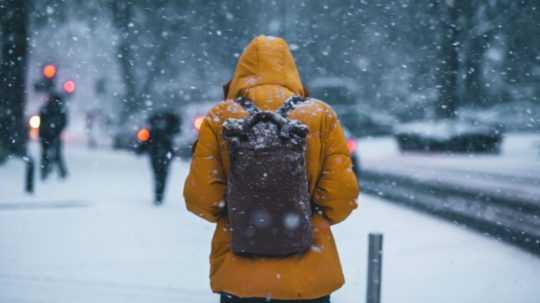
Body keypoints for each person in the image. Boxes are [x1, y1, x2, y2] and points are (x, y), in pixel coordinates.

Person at [183, 36, 359, 302]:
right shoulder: (321, 115)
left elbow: (201, 200)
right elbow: (342, 198)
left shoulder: (220, 118)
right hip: (309, 278)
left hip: (239, 275)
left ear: (241, 72)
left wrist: (242, 214)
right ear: (291, 70)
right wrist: (304, 218)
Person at [138, 111, 180, 205]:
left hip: (157, 154)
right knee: (161, 175)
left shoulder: (155, 130)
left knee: (158, 175)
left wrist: (141, 149)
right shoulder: (168, 130)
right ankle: (159, 195)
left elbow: (146, 141)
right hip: (161, 155)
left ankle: (158, 195)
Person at [39, 92, 68, 180]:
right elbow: (63, 122)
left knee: (49, 155)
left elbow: (63, 122)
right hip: (50, 135)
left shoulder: (48, 108)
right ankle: (59, 172)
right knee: (54, 154)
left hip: (49, 135)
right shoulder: (57, 109)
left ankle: (46, 172)